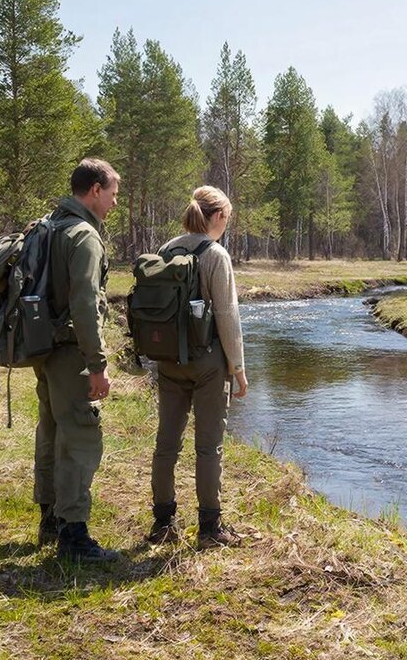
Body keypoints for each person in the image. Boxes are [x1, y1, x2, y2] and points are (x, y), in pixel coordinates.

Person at [146, 185, 248, 549]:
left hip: (168, 360)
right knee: (208, 446)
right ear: (217, 216)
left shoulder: (166, 250)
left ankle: (163, 523)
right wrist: (238, 369)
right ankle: (209, 528)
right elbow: (227, 317)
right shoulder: (215, 254)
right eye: (227, 218)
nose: (227, 224)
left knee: (166, 443)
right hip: (207, 363)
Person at [34, 158, 119, 562]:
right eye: (113, 193)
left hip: (45, 348)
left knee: (52, 430)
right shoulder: (84, 235)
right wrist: (97, 365)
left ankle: (50, 519)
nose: (115, 202)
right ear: (95, 190)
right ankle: (73, 535)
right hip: (70, 352)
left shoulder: (51, 225)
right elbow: (85, 304)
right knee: (81, 436)